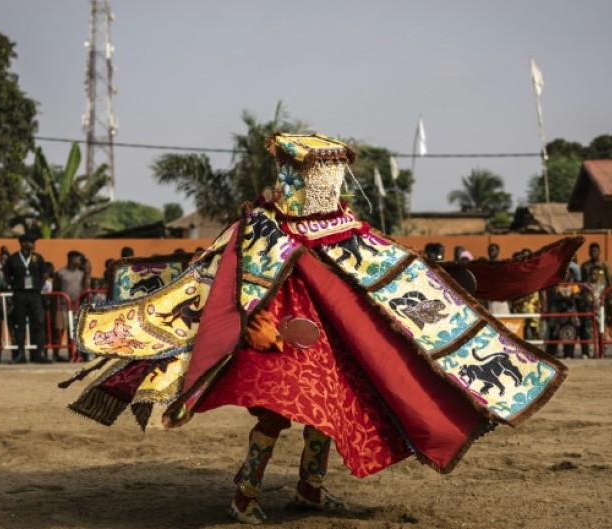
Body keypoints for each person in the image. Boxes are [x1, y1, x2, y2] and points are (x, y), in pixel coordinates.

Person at [61, 133, 580, 524]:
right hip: (271, 337)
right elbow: (221, 283)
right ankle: (246, 490)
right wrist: (252, 328)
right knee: (273, 416)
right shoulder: (260, 224)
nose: (328, 182)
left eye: (331, 171)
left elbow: (388, 269)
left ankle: (309, 487)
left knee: (328, 414)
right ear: (294, 172)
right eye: (319, 172)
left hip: (329, 339)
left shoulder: (344, 225)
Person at [3, 233, 49, 364]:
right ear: (23, 243)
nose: (34, 244)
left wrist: (38, 287)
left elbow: (43, 274)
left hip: (34, 295)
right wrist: (13, 287)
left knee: (39, 324)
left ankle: (39, 353)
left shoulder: (38, 258)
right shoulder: (13, 259)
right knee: (20, 325)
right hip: (19, 295)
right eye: (31, 242)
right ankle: (20, 354)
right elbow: (7, 275)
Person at [53, 251, 85, 362]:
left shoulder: (81, 274)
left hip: (76, 307)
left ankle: (72, 355)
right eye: (78, 259)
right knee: (59, 331)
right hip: (62, 307)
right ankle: (55, 356)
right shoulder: (60, 273)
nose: (80, 261)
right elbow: (55, 289)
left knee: (73, 333)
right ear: (71, 259)